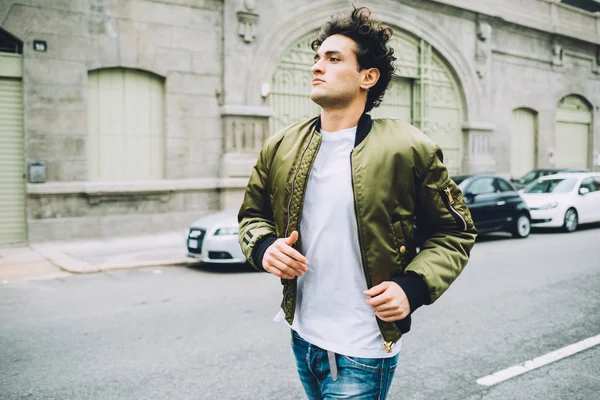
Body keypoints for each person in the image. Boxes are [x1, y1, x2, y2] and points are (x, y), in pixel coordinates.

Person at [238, 6, 477, 400]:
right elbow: (252, 216)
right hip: (302, 333)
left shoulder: (408, 147)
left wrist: (413, 288)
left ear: (368, 76)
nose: (318, 66)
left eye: (333, 59)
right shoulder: (280, 146)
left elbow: (455, 231)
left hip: (363, 346)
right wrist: (264, 248)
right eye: (317, 58)